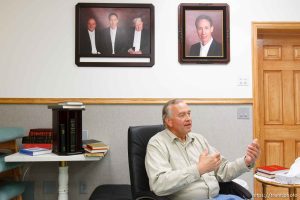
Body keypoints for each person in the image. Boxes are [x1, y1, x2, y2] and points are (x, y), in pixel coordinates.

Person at [145, 99, 260, 200]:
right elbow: (159, 185)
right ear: (168, 121)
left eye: (189, 114)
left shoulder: (199, 139)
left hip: (217, 197)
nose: (188, 118)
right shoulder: (157, 144)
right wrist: (198, 169)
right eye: (182, 115)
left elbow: (223, 171)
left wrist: (246, 162)